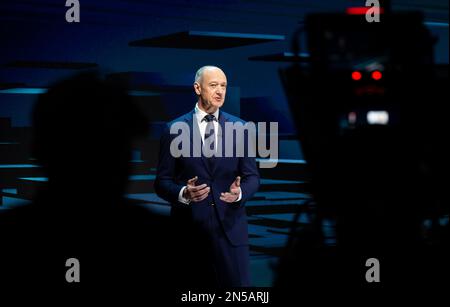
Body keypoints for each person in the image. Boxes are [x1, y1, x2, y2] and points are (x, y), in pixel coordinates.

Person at [154, 66, 260, 287]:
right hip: (189, 234)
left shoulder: (241, 128)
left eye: (223, 86)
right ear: (197, 88)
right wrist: (183, 193)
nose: (220, 91)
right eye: (213, 85)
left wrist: (239, 193)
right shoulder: (174, 129)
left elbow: (252, 177)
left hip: (231, 234)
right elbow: (162, 182)